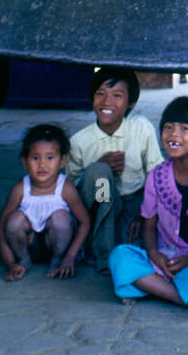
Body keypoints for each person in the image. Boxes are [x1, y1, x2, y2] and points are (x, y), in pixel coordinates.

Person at [108, 96, 188, 313]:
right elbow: (149, 225)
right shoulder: (157, 176)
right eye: (168, 127)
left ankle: (154, 288)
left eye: (185, 128)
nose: (173, 134)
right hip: (163, 259)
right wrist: (153, 253)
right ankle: (186, 298)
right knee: (120, 256)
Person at [66, 66, 162, 266]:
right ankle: (104, 256)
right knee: (100, 175)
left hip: (133, 203)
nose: (106, 102)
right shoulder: (80, 141)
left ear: (131, 103)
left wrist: (143, 213)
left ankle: (104, 246)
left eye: (117, 95)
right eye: (100, 94)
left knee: (137, 249)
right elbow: (72, 187)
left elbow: (156, 173)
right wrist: (99, 167)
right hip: (99, 206)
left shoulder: (140, 128)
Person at [0, 124, 90, 280]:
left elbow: (85, 222)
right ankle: (23, 260)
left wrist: (70, 256)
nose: (42, 164)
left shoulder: (65, 188)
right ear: (24, 161)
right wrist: (10, 262)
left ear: (62, 160)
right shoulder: (20, 188)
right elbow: (1, 227)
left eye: (50, 157)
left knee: (60, 218)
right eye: (35, 158)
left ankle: (57, 260)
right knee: (14, 220)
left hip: (56, 244)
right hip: (29, 244)